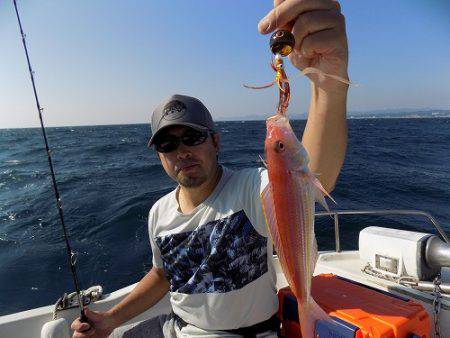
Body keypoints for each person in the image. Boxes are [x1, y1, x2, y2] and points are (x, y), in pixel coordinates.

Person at [72, 0, 348, 337]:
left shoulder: (250, 189)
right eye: (167, 144)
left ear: (215, 141)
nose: (182, 151)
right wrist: (110, 320)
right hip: (178, 328)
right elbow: (162, 275)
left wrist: (327, 84)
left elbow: (308, 181)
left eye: (192, 137)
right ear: (159, 155)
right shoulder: (159, 213)